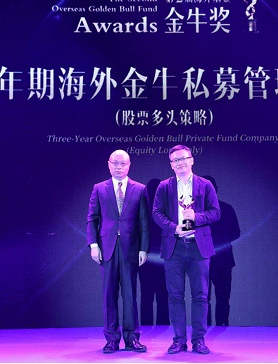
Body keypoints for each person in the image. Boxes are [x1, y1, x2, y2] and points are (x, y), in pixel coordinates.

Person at [153, 145, 220, 354]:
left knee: (200, 296)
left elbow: (215, 212)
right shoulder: (164, 187)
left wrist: (197, 217)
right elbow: (156, 213)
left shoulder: (205, 185)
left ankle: (199, 340)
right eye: (175, 160)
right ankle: (179, 340)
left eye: (183, 158)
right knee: (175, 296)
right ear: (171, 165)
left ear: (191, 160)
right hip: (174, 247)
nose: (180, 163)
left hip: (198, 247)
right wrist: (174, 228)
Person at [87, 149, 149, 354]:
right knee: (109, 295)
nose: (119, 167)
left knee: (130, 296)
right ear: (109, 164)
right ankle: (112, 339)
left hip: (131, 249)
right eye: (115, 163)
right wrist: (93, 245)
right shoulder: (99, 188)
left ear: (129, 165)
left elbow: (144, 222)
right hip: (107, 249)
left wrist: (144, 248)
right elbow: (92, 219)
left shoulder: (139, 189)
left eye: (123, 163)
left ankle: (132, 338)